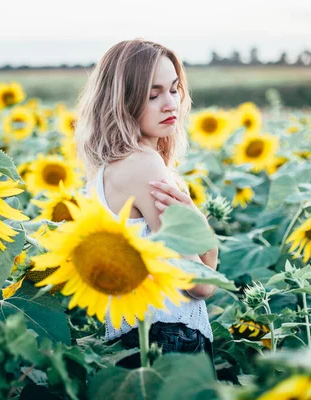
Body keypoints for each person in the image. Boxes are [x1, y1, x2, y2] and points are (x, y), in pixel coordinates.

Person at [74, 39, 219, 370]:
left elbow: (204, 264)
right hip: (165, 339)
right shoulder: (143, 165)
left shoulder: (111, 167)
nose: (170, 104)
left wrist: (195, 224)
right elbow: (202, 283)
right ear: (122, 102)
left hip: (136, 337)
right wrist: (197, 225)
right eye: (153, 95)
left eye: (174, 89)